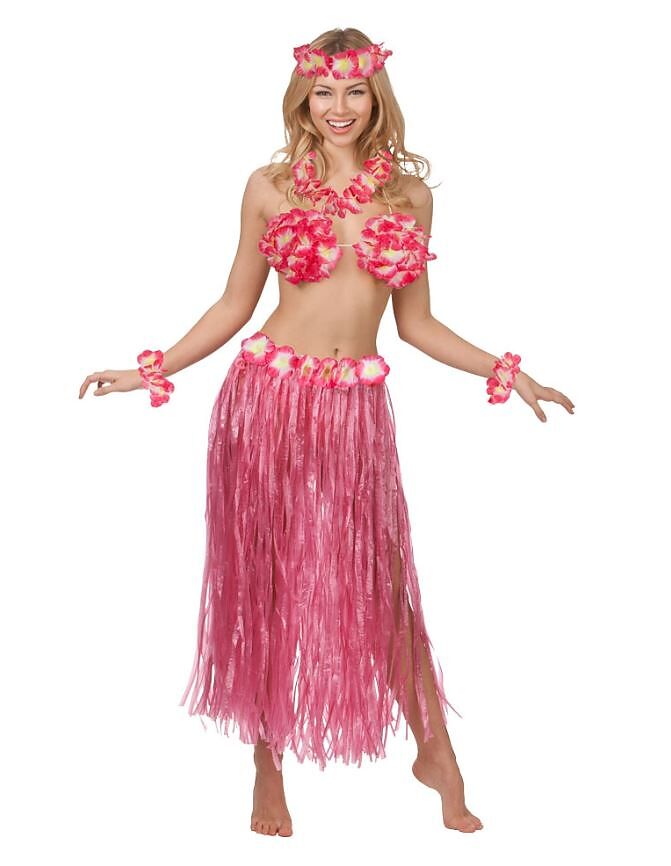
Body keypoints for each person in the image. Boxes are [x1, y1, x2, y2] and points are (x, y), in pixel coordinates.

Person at [78, 27, 574, 838]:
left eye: (354, 91)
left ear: (377, 96)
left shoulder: (409, 197)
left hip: (353, 411)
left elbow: (416, 324)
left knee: (383, 582)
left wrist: (505, 370)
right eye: (323, 92)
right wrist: (152, 367)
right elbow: (234, 304)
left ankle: (437, 752)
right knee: (265, 584)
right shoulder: (269, 187)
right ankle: (266, 767)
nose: (339, 107)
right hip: (265, 401)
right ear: (302, 99)